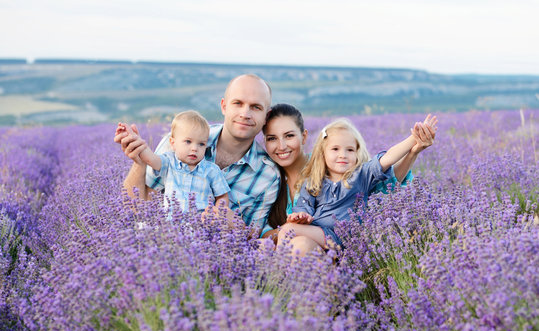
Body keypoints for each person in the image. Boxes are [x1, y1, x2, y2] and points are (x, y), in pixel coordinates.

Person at [114, 74, 280, 235]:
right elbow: (136, 211)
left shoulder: (267, 175)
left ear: (266, 116)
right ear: (224, 106)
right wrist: (139, 162)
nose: (245, 114)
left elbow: (253, 236)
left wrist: (233, 224)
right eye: (238, 103)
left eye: (256, 107)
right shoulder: (180, 141)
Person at [261, 103, 433, 240]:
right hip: (316, 236)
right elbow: (304, 208)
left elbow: (388, 161)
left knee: (290, 232)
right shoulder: (312, 181)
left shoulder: (360, 176)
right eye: (335, 149)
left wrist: (413, 142)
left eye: (350, 150)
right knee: (289, 234)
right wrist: (301, 216)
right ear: (323, 152)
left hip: (343, 239)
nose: (342, 155)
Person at [115, 110, 229, 213]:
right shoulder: (169, 162)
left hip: (201, 226)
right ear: (173, 143)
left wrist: (219, 212)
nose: (195, 148)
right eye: (188, 142)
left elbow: (222, 195)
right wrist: (136, 141)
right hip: (172, 225)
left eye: (201, 144)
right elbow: (150, 158)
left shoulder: (211, 170)